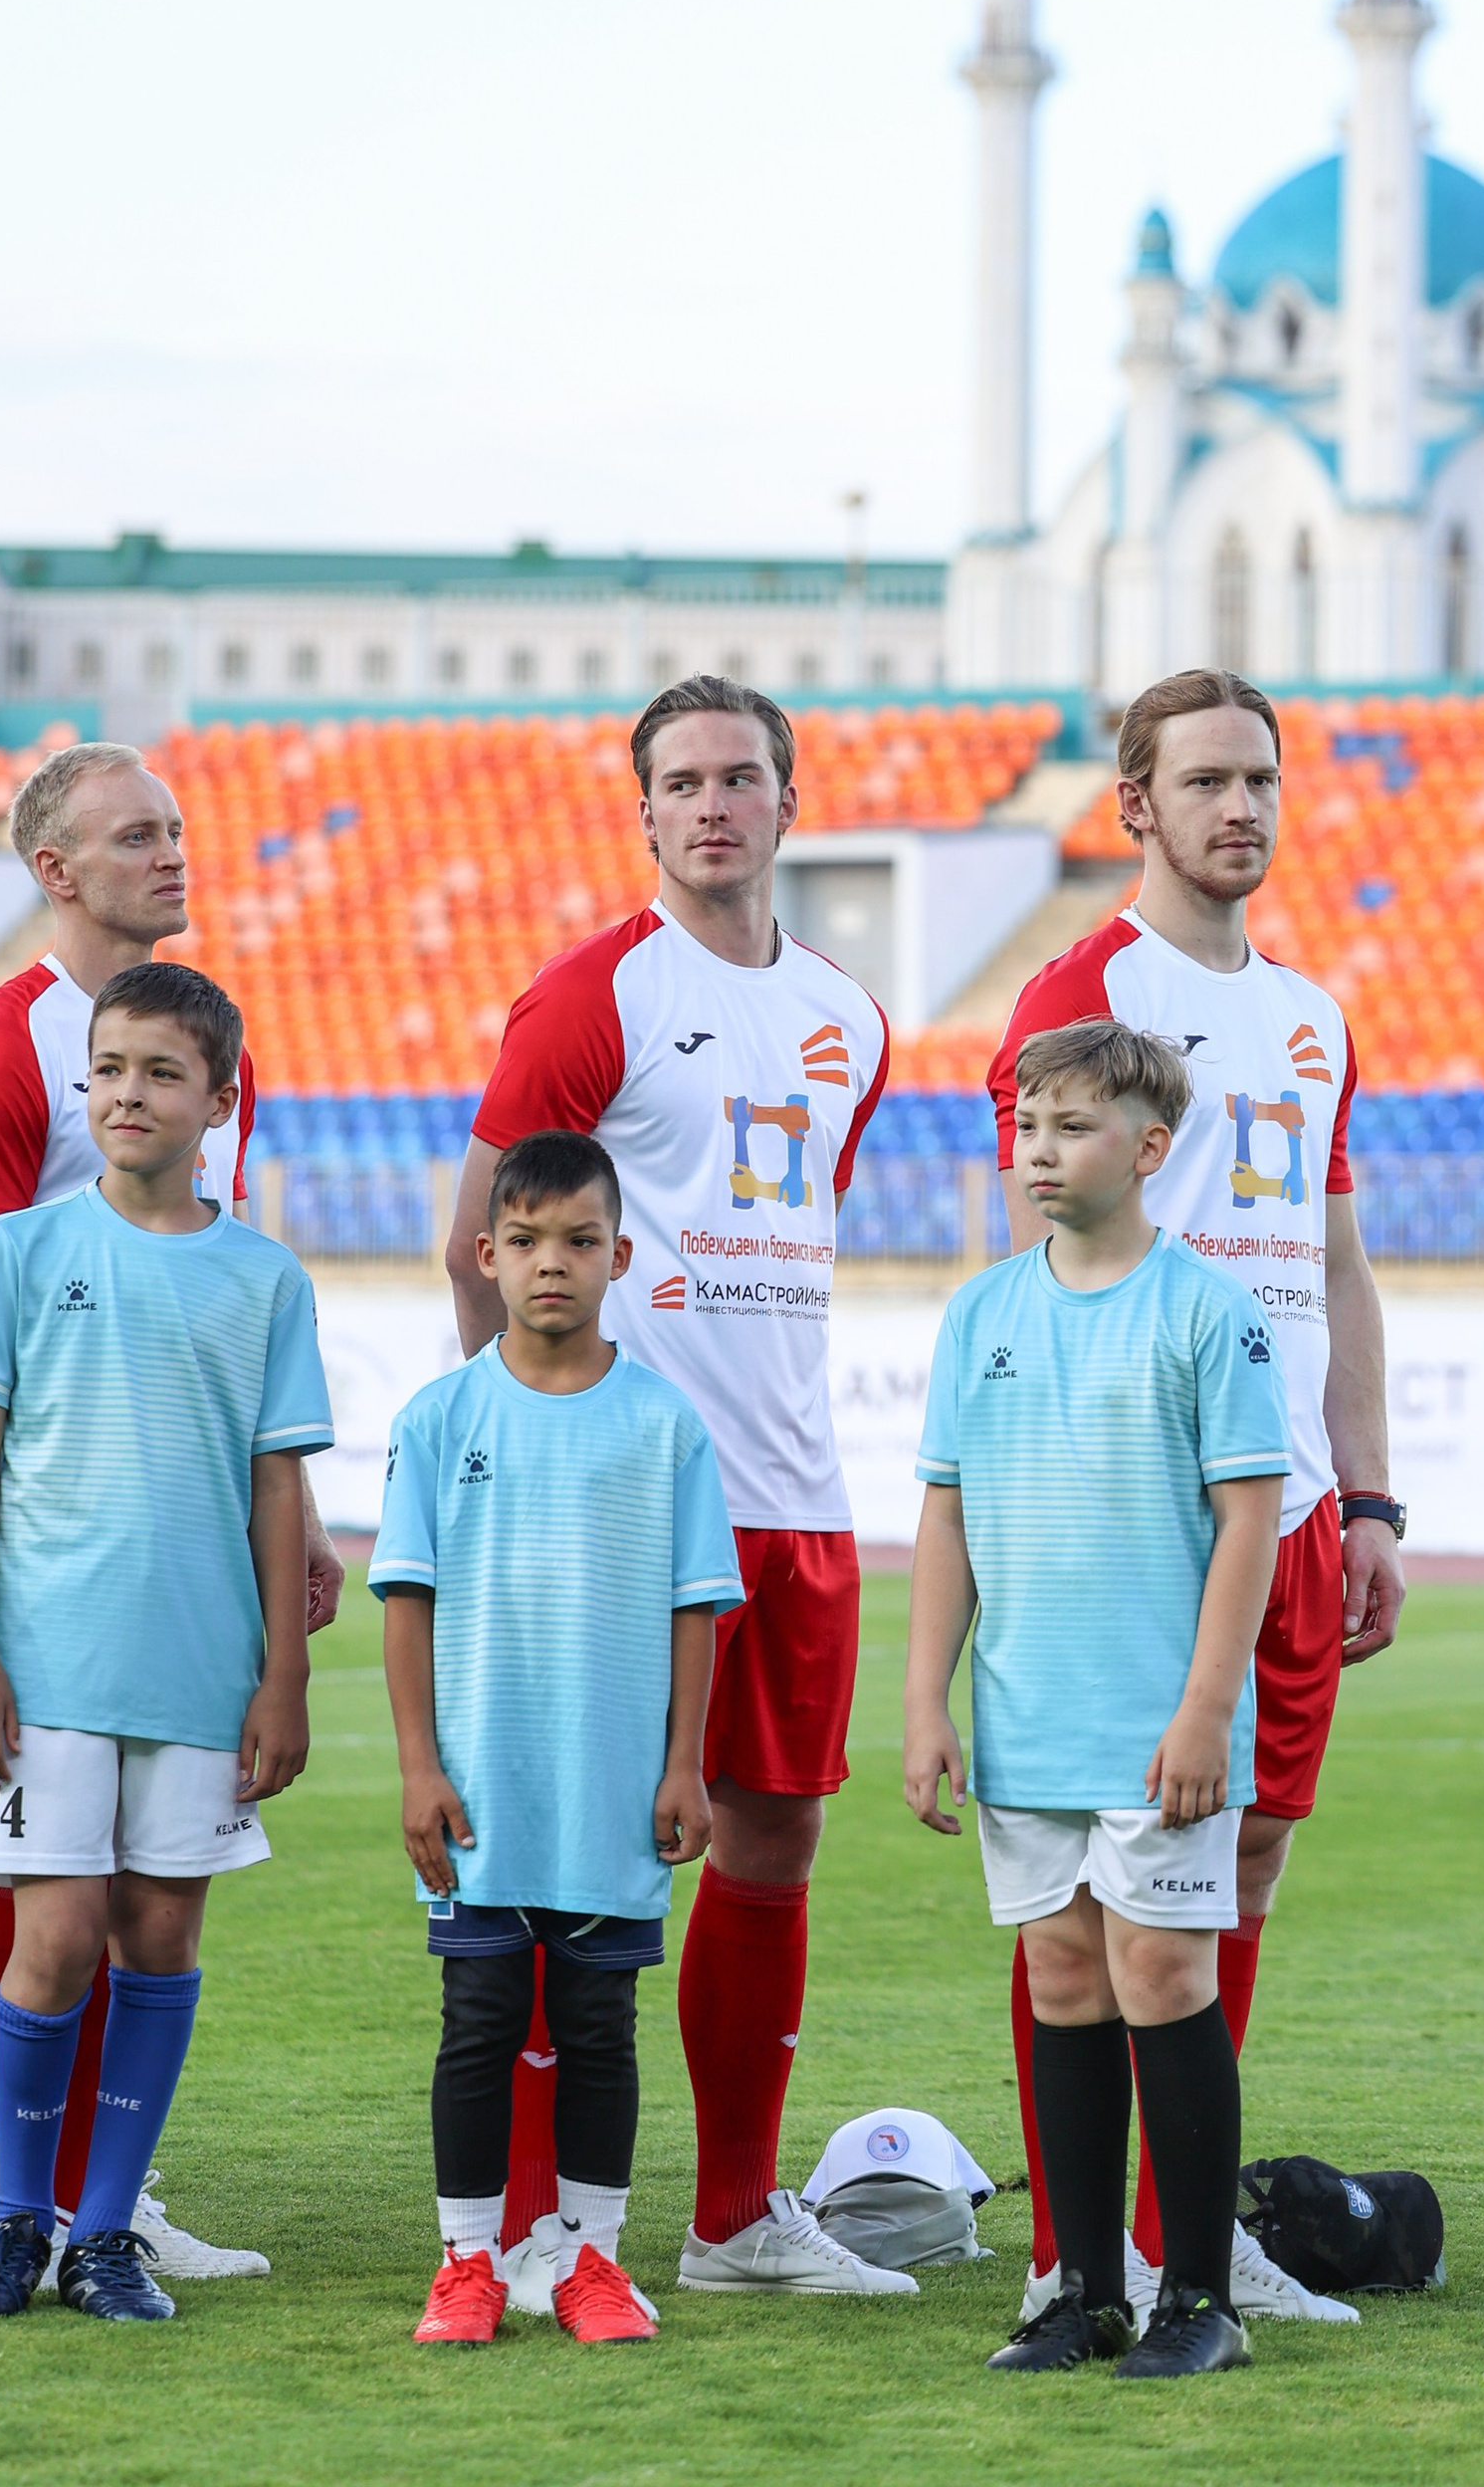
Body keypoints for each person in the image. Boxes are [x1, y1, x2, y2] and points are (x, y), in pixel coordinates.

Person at [445, 676, 911, 2302]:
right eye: (681, 783)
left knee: (770, 1846)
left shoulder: (852, 1020)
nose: (712, 805)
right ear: (642, 813)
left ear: (791, 800)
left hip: (792, 1500)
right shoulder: (593, 997)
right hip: (615, 1506)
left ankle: (730, 2223)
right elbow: (476, 1245)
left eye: (741, 778)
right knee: (569, 1866)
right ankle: (519, 2230)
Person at [986, 667, 1405, 2323]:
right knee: (1090, 1912)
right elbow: (1032, 1254)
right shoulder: (1081, 994)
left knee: (1244, 1874)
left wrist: (1369, 1503)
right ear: (1134, 807)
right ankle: (1074, 2256)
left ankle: (1188, 2234)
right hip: (1135, 1525)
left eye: (1263, 781)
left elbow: (1338, 1265)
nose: (1241, 810)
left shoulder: (1309, 1015)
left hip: (1292, 1515)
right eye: (1207, 781)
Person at [0, 740, 339, 2291]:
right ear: (57, 869)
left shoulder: (221, 1083)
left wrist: (285, 1535)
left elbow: (240, 1351)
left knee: (152, 1919)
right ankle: (5, 2203)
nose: (174, 853)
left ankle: (103, 2211)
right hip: (59, 1591)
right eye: (135, 834)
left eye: (177, 826)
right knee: (39, 1904)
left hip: (188, 1609)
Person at [907, 1016, 1288, 2379]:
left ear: (1148, 1147)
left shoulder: (1206, 1308)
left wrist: (1204, 1712)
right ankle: (1081, 2291)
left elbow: (1250, 1522)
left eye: (1071, 1127)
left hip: (1156, 1728)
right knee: (1065, 1982)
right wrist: (925, 1700)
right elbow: (945, 1517)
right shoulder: (981, 1312)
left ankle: (1200, 2302)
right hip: (1027, 1718)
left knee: (1164, 1973)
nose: (1040, 1151)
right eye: (1027, 1125)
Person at [375, 1129, 739, 2347]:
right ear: (486, 1254)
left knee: (597, 2028)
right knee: (477, 2021)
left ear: (619, 1255)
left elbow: (698, 1608)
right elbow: (407, 1601)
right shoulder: (438, 1419)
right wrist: (420, 1768)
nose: (551, 1264)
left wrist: (685, 1759)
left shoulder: (666, 1424)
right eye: (525, 1241)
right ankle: (466, 2263)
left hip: (611, 1785)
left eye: (579, 1241)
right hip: (482, 1786)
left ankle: (588, 2262)